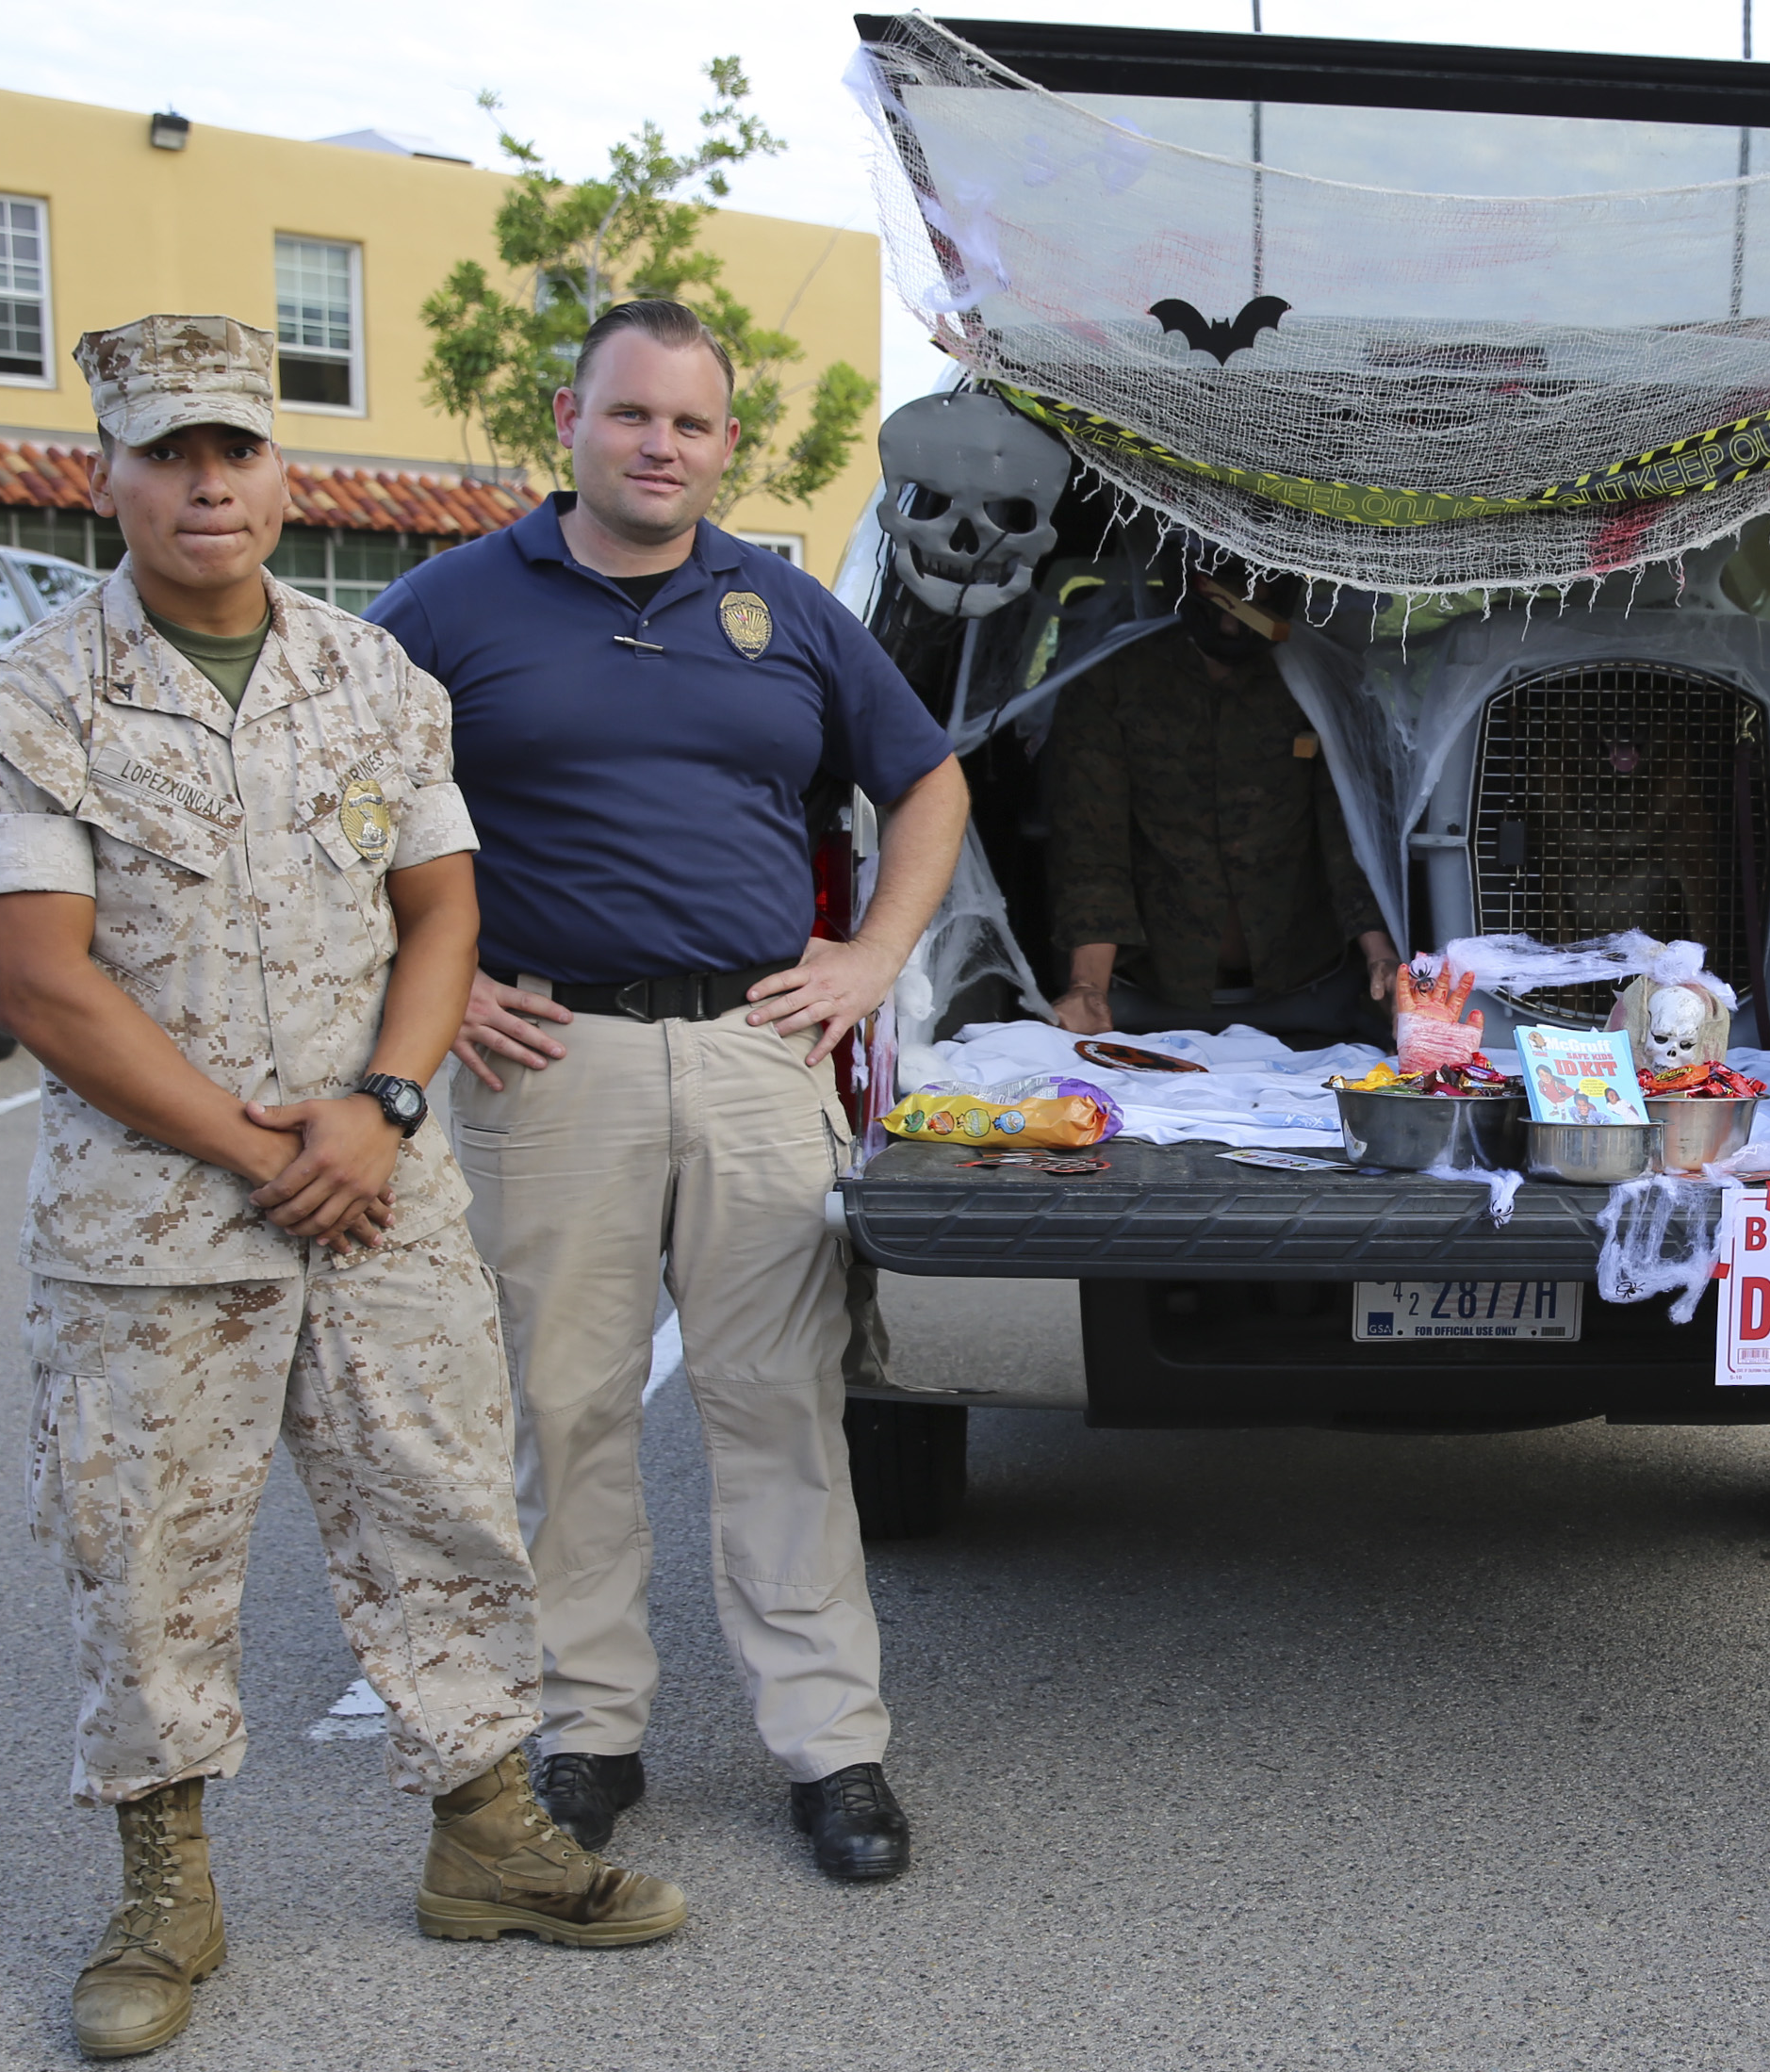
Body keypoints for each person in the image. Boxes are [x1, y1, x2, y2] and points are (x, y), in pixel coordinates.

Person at [0, 317, 682, 2060]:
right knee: (144, 1553)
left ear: (284, 475)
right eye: (169, 453)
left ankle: (488, 1839)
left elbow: (443, 914)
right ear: (107, 476)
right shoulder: (33, 698)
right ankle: (166, 1891)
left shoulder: (378, 680)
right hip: (153, 1226)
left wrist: (384, 1106)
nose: (208, 484)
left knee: (446, 1507)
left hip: (379, 1198)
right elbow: (39, 983)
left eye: (237, 451)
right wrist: (268, 1146)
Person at [364, 300, 970, 1884]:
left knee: (782, 1408)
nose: (660, 445)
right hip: (548, 1058)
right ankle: (585, 1733)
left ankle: (831, 1748)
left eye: (691, 424)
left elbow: (927, 777)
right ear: (569, 419)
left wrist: (871, 958)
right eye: (631, 414)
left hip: (757, 1054)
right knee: (563, 1410)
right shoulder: (446, 607)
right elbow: (324, 806)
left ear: (725, 444)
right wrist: (432, 978)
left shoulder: (786, 608)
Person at [1045, 572, 1398, 1043]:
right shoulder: (1115, 683)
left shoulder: (1315, 684)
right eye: (1222, 607)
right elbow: (1092, 843)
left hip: (1307, 980)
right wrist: (1088, 987)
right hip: (1149, 983)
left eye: (1255, 608)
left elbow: (1350, 832)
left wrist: (1381, 957)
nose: (1232, 628)